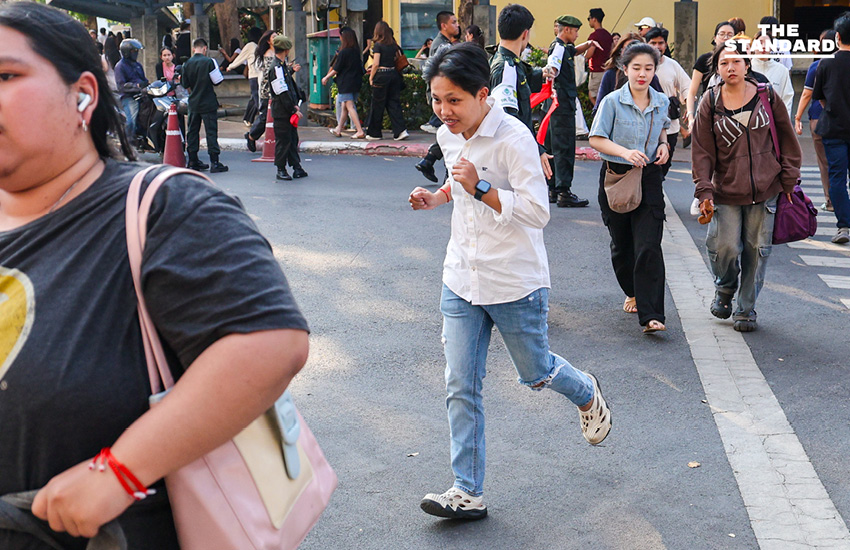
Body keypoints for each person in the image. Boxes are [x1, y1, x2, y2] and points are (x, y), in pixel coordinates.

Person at [0, 3, 310, 548]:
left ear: (84, 95)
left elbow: (269, 344)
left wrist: (118, 472)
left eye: (7, 75)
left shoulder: (164, 206)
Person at [409, 43, 611, 520]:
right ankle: (467, 491)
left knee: (535, 372)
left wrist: (481, 187)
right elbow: (455, 181)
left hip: (514, 281)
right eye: (437, 100)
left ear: (483, 94)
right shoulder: (447, 133)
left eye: (454, 100)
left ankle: (585, 391)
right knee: (461, 384)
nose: (444, 111)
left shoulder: (514, 138)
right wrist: (439, 197)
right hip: (461, 276)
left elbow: (538, 212)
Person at [691, 40, 801, 331]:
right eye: (724, 63)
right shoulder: (710, 102)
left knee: (757, 249)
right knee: (724, 246)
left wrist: (789, 177)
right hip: (726, 189)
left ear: (747, 65)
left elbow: (787, 138)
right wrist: (703, 188)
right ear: (717, 69)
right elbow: (701, 151)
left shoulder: (767, 96)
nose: (731, 67)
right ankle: (725, 288)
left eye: (736, 61)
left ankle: (746, 309)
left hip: (766, 189)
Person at [589, 43, 671, 333]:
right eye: (636, 68)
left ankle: (652, 315)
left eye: (648, 68)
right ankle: (632, 291)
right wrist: (625, 153)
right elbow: (596, 139)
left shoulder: (661, 101)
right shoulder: (612, 102)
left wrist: (663, 144)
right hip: (617, 176)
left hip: (648, 176)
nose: (642, 74)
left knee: (649, 244)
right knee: (622, 246)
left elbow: (662, 125)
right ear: (625, 69)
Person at [489, 3, 553, 184]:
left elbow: (523, 75)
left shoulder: (506, 61)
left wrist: (542, 73)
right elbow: (509, 119)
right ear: (525, 33)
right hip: (512, 156)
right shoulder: (507, 67)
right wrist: (536, 149)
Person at [544, 14, 599, 208]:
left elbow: (571, 51)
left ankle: (552, 189)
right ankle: (564, 192)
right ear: (566, 30)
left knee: (551, 146)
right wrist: (550, 71)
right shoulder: (558, 49)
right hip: (562, 105)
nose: (577, 35)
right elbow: (554, 64)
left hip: (554, 105)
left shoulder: (562, 46)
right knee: (564, 147)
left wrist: (587, 44)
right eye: (575, 31)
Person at [686, 21, 736, 216]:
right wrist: (691, 116)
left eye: (730, 34)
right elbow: (692, 92)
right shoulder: (704, 60)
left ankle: (720, 195)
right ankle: (701, 196)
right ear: (715, 37)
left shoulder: (740, 59)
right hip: (707, 116)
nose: (725, 37)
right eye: (722, 33)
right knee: (704, 157)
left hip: (732, 116)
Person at [813, 13, 850, 244]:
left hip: (834, 128)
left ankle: (844, 225)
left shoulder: (825, 64)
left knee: (837, 178)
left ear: (837, 37)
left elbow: (820, 98)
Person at [795, 29, 837, 212]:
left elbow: (806, 94)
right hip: (843, 119)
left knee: (824, 161)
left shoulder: (817, 66)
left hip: (819, 119)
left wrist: (797, 117)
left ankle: (830, 201)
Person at [646, 27, 691, 178]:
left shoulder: (673, 65)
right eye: (653, 43)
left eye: (661, 43)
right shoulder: (640, 65)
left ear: (665, 45)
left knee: (663, 167)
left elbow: (687, 87)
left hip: (669, 127)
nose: (657, 46)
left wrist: (688, 107)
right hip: (645, 127)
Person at [181, 38, 228, 172]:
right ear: (205, 49)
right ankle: (214, 162)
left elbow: (185, 84)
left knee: (192, 132)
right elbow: (217, 81)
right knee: (211, 132)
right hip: (208, 102)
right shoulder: (209, 62)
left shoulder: (186, 64)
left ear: (193, 49)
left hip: (193, 103)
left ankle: (192, 160)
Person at [268, 35, 307, 181]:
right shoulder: (277, 67)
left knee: (291, 139)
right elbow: (281, 92)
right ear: (285, 50)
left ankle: (296, 167)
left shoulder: (282, 66)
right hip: (282, 110)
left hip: (286, 108)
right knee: (283, 141)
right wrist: (293, 108)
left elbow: (286, 85)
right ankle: (281, 169)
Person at [365, 21, 408, 141]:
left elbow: (376, 64)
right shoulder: (393, 45)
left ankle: (374, 133)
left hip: (382, 76)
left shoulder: (378, 45)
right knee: (394, 103)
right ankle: (400, 131)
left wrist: (371, 77)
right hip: (394, 74)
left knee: (377, 105)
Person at [420, 11, 460, 134]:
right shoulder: (440, 45)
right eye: (453, 22)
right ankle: (433, 124)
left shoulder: (444, 42)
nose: (457, 25)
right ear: (444, 26)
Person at [322, 27, 366, 138]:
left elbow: (336, 68)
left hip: (345, 83)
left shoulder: (343, 52)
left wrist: (326, 77)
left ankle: (359, 130)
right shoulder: (356, 51)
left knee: (349, 106)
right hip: (356, 82)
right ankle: (338, 128)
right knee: (344, 106)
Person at [245, 30, 278, 153]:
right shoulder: (266, 54)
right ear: (268, 41)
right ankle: (251, 136)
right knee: (264, 116)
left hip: (278, 90)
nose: (276, 38)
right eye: (274, 37)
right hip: (267, 90)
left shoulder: (278, 52)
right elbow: (266, 72)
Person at [227, 27, 264, 127]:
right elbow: (240, 57)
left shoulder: (257, 46)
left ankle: (248, 119)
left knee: (254, 98)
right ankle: (262, 119)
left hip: (257, 75)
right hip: (254, 76)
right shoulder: (250, 46)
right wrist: (230, 67)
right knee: (257, 99)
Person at [750, 31, 793, 117]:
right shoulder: (746, 69)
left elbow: (787, 98)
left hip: (775, 119)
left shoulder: (782, 70)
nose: (763, 46)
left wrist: (783, 123)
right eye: (760, 42)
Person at [113, 38, 148, 144]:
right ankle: (128, 142)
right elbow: (121, 86)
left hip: (142, 95)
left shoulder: (138, 65)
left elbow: (144, 80)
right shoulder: (120, 66)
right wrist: (135, 86)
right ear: (127, 52)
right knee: (131, 120)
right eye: (134, 51)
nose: (136, 53)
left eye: (137, 51)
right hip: (129, 97)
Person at [585, 8, 613, 106]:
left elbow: (589, 54)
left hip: (596, 70)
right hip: (607, 69)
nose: (588, 21)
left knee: (592, 95)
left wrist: (582, 57)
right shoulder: (608, 35)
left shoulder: (594, 36)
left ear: (594, 19)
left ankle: (598, 112)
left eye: (589, 18)